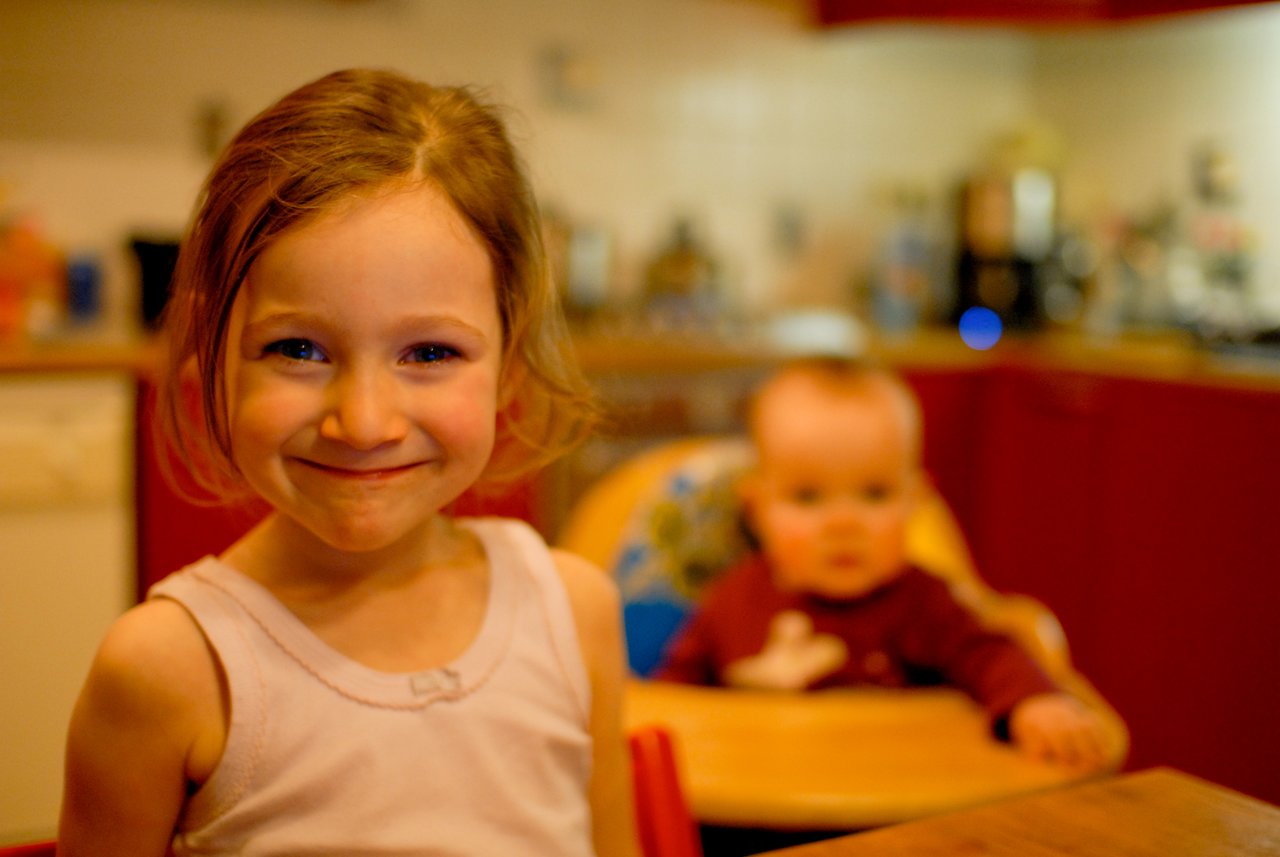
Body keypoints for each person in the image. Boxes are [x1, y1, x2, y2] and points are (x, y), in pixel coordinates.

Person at [58, 69, 640, 857]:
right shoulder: (168, 670)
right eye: (297, 348)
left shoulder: (576, 614)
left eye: (430, 351)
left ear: (508, 363)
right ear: (213, 365)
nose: (363, 421)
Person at [656, 356, 1113, 772]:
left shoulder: (926, 605)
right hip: (757, 812)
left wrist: (1031, 705)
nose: (843, 523)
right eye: (808, 496)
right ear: (759, 510)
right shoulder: (730, 602)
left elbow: (992, 655)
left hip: (889, 816)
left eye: (874, 494)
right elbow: (670, 701)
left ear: (914, 502)